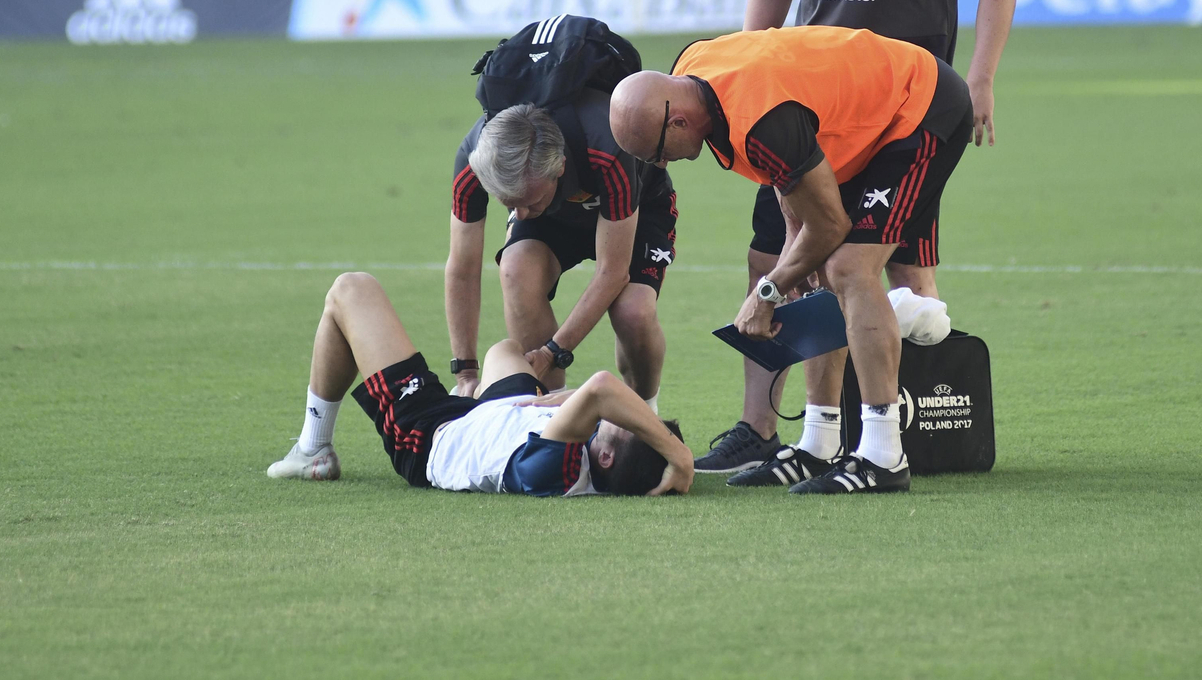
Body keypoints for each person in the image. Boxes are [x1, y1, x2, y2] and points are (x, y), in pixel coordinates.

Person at [693, 0, 1017, 477]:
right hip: (803, 114)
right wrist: (749, 64)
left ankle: (899, 431)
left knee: (891, 273)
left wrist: (983, 78)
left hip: (902, 115)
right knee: (775, 259)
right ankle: (764, 426)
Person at [609, 26, 975, 494]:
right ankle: (820, 443)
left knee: (848, 268)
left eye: (658, 153)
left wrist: (768, 291)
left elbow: (828, 227)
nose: (662, 164)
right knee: (816, 273)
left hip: (920, 108)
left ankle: (885, 457)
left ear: (678, 122)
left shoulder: (761, 121)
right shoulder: (691, 71)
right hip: (858, 122)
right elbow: (795, 209)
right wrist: (791, 272)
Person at [265, 271, 692, 496]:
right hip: (500, 418)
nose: (611, 416)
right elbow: (598, 399)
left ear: (601, 457)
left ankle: (313, 450)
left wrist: (681, 457)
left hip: (432, 435)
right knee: (504, 350)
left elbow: (601, 387)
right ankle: (470, 389)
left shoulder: (548, 470)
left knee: (351, 290)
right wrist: (562, 400)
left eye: (613, 425)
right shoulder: (583, 453)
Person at [446, 93, 676, 405]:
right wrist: (465, 373)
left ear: (560, 167)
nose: (521, 214)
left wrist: (553, 352)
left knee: (633, 312)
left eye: (528, 201)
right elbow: (462, 268)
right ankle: (546, 410)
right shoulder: (476, 158)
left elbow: (612, 273)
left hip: (635, 207)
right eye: (510, 203)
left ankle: (644, 412)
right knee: (515, 269)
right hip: (554, 216)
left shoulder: (608, 147)